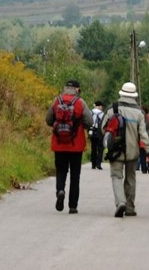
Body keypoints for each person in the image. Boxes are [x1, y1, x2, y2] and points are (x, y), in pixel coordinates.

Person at [101, 81, 149, 218]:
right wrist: (147, 148)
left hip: (115, 151)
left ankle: (120, 202)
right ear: (134, 95)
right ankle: (129, 207)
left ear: (121, 93)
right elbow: (144, 133)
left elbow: (102, 128)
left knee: (116, 176)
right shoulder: (139, 112)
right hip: (132, 152)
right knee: (130, 178)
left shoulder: (111, 109)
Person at [45, 80, 92, 214]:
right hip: (76, 145)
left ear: (65, 88)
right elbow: (90, 121)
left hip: (59, 143)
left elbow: (48, 120)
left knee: (61, 171)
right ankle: (73, 206)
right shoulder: (80, 102)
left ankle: (60, 190)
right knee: (75, 175)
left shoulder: (57, 100)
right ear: (77, 89)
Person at [89, 100, 105, 169]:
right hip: (99, 132)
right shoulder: (101, 113)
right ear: (100, 106)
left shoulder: (90, 112)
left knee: (93, 148)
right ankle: (98, 163)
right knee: (100, 148)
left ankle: (93, 164)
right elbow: (104, 123)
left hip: (92, 132)